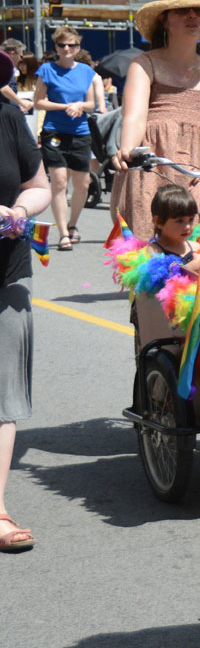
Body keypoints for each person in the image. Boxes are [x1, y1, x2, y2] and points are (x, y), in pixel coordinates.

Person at [112, 0, 200, 241]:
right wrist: (128, 150)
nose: (192, 16)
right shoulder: (145, 64)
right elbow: (135, 117)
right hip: (152, 168)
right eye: (183, 10)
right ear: (164, 19)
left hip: (199, 171)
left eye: (199, 10)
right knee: (151, 256)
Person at [0, 54, 51, 553]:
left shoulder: (8, 116)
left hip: (6, 271)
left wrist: (18, 211)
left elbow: (38, 187)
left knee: (3, 396)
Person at [35, 25, 107, 250]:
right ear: (56, 47)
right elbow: (38, 102)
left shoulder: (85, 71)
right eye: (62, 45)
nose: (66, 48)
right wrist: (65, 106)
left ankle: (73, 224)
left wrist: (79, 105)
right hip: (54, 131)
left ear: (78, 47)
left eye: (71, 45)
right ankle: (63, 234)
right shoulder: (47, 70)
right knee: (59, 181)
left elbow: (91, 104)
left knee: (83, 184)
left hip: (80, 133)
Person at [147, 184, 200, 275]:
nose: (188, 226)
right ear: (159, 222)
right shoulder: (154, 251)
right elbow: (160, 279)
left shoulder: (196, 247)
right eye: (179, 221)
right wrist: (191, 267)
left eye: (191, 219)